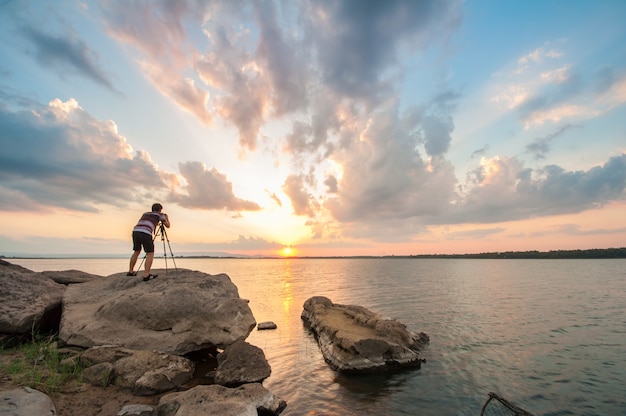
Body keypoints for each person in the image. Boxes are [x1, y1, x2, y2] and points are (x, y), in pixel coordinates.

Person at [128, 203, 171, 281]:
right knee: (150, 253)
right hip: (145, 233)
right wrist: (166, 218)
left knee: (136, 251)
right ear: (160, 210)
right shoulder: (160, 215)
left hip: (135, 231)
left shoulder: (145, 213)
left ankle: (130, 271)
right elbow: (168, 225)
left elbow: (148, 222)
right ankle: (146, 275)